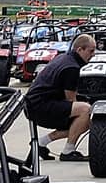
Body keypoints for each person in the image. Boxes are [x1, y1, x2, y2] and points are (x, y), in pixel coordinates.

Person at [25, 32, 97, 161]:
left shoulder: (64, 57)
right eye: (91, 51)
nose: (93, 55)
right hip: (40, 107)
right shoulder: (72, 68)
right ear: (80, 49)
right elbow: (70, 100)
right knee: (86, 112)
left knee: (83, 119)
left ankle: (41, 143)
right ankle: (68, 151)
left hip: (33, 105)